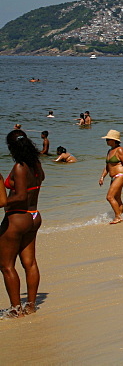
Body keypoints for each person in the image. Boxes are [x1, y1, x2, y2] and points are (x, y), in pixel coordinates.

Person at [1, 129, 44, 316]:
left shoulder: (19, 167)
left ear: (11, 147)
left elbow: (19, 195)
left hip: (18, 217)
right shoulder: (35, 164)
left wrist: (3, 201)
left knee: (6, 265)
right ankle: (31, 305)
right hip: (34, 215)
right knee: (30, 263)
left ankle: (15, 308)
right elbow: (36, 184)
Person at [98, 130, 123, 224]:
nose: (106, 141)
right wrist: (102, 177)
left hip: (120, 176)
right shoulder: (109, 151)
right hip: (113, 177)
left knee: (109, 197)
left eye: (108, 139)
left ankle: (117, 216)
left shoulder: (120, 150)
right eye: (106, 139)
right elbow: (107, 167)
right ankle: (121, 215)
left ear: (114, 140)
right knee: (117, 198)